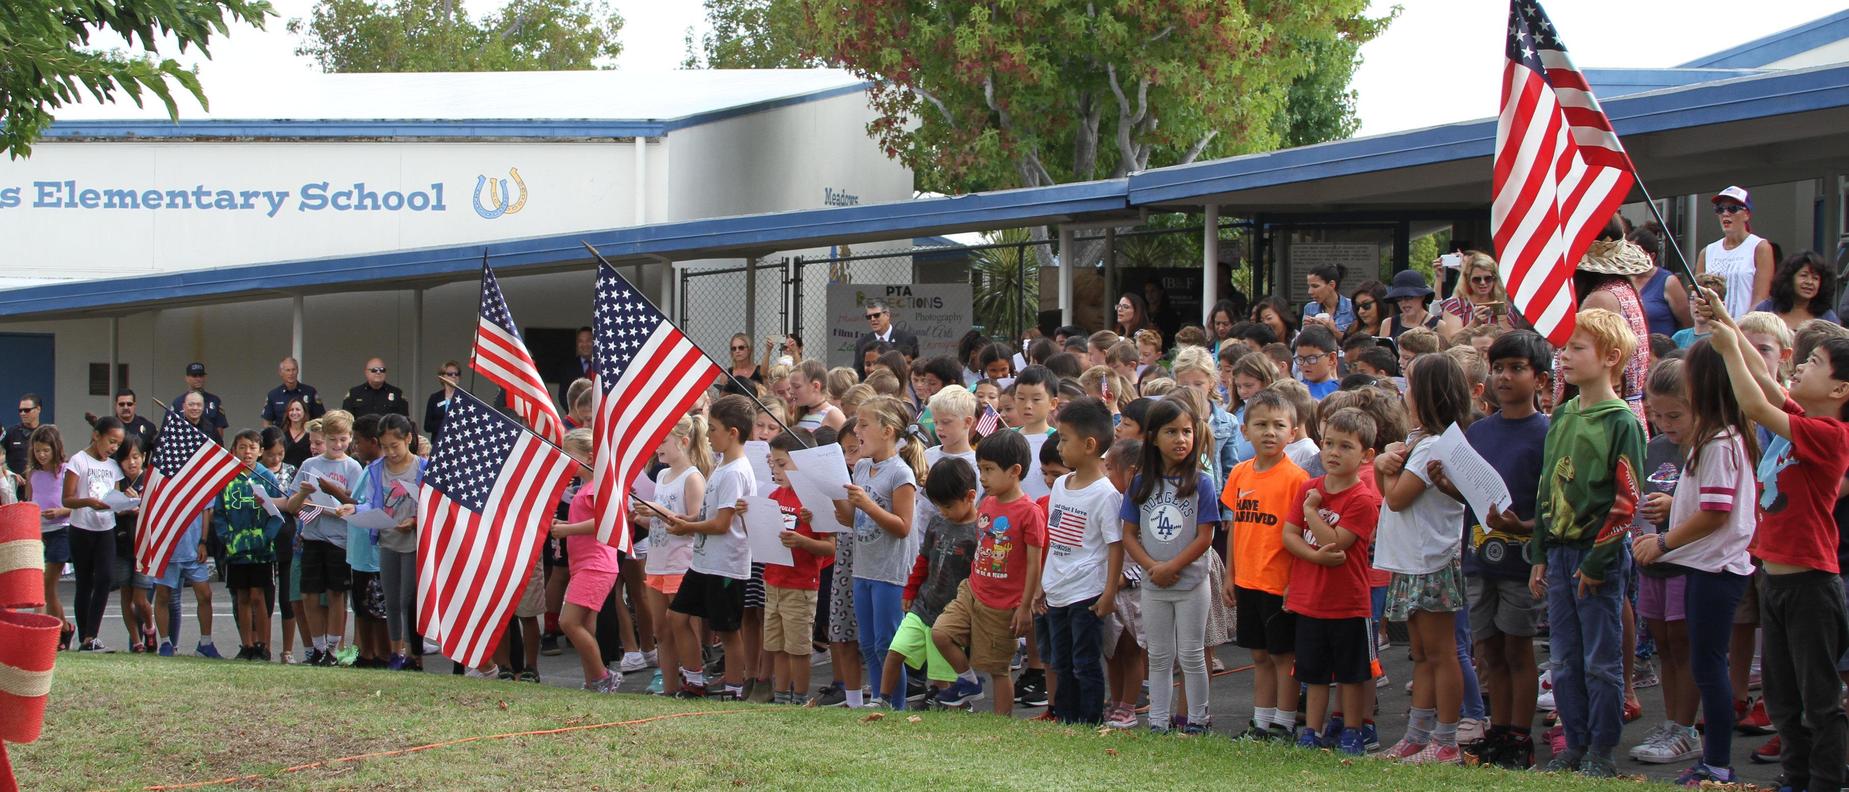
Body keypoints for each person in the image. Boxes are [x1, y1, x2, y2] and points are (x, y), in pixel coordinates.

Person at [1704, 286, 1849, 792]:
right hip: (1778, 582)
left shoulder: (1830, 435)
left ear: (1840, 390)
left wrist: (1725, 348)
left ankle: (1826, 782)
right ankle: (1797, 777)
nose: (1802, 367)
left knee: (1819, 699)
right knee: (1785, 699)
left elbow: (1756, 403)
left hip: (1812, 585)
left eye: (1815, 362)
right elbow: (1766, 382)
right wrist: (1726, 319)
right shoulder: (1808, 420)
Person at [1631, 341, 1759, 785]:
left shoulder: (1718, 442)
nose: (1664, 424)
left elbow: (1715, 511)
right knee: (1705, 667)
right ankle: (1714, 761)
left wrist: (1663, 543)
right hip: (1707, 568)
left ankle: (1719, 764)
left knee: (1708, 669)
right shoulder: (1715, 439)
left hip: (1715, 570)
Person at [1530, 308, 1648, 777]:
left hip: (1597, 555)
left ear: (1611, 357)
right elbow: (1546, 488)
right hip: (1558, 553)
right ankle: (1572, 745)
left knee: (1601, 661)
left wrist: (1599, 560)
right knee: (1562, 657)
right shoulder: (1561, 415)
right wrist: (1540, 552)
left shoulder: (1623, 422)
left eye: (1577, 348)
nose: (1564, 357)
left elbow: (1626, 499)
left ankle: (1601, 752)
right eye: (1564, 348)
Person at [1452, 330, 1551, 769]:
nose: (1505, 377)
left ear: (1541, 380)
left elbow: (1552, 505)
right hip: (1479, 555)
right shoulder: (1479, 432)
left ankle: (1519, 735)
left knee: (1518, 648)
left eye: (1516, 369)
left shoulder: (1547, 433)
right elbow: (1470, 495)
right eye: (1498, 369)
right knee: (1488, 649)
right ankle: (1497, 729)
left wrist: (1523, 526)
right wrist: (1444, 481)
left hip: (1521, 560)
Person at [1283, 408, 1383, 754]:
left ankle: (1353, 729)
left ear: (1366, 455)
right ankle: (1312, 730)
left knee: (1352, 673)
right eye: (1328, 444)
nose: (1333, 453)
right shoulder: (1309, 487)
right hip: (1309, 599)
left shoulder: (1363, 498)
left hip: (1348, 602)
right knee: (1313, 673)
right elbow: (1290, 535)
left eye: (1345, 446)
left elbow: (1336, 542)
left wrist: (1313, 512)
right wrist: (1312, 557)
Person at [1115, 399, 1218, 734]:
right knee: (1158, 655)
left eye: (1187, 431)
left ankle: (1197, 719)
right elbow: (1129, 534)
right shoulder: (1140, 483)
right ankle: (1158, 720)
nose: (1181, 439)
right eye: (1171, 431)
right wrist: (1152, 567)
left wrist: (1172, 565)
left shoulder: (1201, 482)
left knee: (1190, 654)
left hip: (1191, 583)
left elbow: (1205, 537)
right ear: (1154, 438)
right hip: (1153, 584)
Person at [933, 430, 1042, 715]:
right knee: (941, 633)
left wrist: (1025, 606)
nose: (982, 477)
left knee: (998, 668)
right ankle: (969, 681)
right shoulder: (988, 502)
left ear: (1015, 471)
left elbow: (1034, 563)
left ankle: (1001, 724)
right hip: (973, 590)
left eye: (989, 469)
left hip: (1004, 603)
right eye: (980, 468)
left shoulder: (1029, 512)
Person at [663, 395, 758, 699]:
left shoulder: (735, 471)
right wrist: (688, 518)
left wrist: (688, 527)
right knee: (677, 616)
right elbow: (710, 515)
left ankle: (733, 689)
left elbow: (722, 524)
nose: (707, 435)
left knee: (728, 630)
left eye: (713, 429)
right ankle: (694, 681)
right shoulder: (721, 466)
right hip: (704, 562)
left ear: (733, 432)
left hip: (726, 565)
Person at [1036, 398, 1123, 725]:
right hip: (1057, 589)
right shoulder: (1060, 484)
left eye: (1064, 439)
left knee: (1084, 661)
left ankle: (1089, 721)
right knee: (1060, 659)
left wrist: (1109, 592)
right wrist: (1043, 586)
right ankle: (1065, 717)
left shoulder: (1105, 494)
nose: (1058, 446)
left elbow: (1115, 546)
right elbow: (1054, 539)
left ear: (1089, 445)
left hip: (1086, 593)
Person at [837, 395, 925, 707]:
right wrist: (834, 496)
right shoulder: (861, 467)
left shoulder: (901, 473)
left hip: (891, 572)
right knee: (868, 643)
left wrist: (867, 505)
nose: (856, 430)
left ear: (887, 431)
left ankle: (893, 704)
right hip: (864, 568)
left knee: (888, 644)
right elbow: (852, 519)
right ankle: (877, 699)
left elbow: (902, 525)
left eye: (864, 424)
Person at [888, 458, 980, 707]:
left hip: (955, 607)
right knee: (901, 649)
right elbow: (924, 558)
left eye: (948, 506)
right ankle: (889, 699)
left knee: (946, 662)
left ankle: (958, 700)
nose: (943, 512)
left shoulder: (978, 531)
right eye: (938, 506)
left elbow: (978, 574)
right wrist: (911, 589)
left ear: (970, 496)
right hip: (926, 600)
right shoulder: (937, 522)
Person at [543, 428, 621, 692]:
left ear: (588, 457)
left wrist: (567, 530)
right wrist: (565, 525)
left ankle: (602, 676)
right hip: (587, 565)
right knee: (585, 625)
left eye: (570, 455)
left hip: (596, 565)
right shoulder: (585, 488)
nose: (566, 460)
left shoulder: (597, 487)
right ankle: (593, 681)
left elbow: (603, 521)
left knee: (568, 622)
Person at [284, 409, 363, 667]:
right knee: (309, 593)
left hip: (339, 539)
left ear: (350, 437)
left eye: (343, 439)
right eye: (332, 440)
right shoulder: (310, 465)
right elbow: (292, 504)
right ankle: (317, 647)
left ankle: (332, 648)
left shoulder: (352, 466)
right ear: (324, 438)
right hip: (312, 536)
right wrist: (304, 494)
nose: (338, 445)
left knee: (336, 593)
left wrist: (339, 501)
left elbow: (356, 504)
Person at [762, 429, 835, 704]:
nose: (777, 470)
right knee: (777, 645)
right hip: (773, 580)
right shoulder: (773, 496)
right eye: (773, 464)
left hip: (801, 584)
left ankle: (801, 697)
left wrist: (803, 541)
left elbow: (830, 547)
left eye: (783, 464)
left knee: (798, 648)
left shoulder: (815, 499)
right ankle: (781, 696)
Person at [351, 414, 424, 669]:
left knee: (409, 600)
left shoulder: (422, 468)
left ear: (408, 439)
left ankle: (415, 654)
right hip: (388, 539)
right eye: (385, 447)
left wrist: (415, 522)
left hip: (414, 542)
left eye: (396, 445)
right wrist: (353, 511)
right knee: (391, 601)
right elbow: (370, 503)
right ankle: (396, 652)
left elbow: (433, 506)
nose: (391, 452)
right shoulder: (375, 470)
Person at [1563, 226, 1655, 426]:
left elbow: (1591, 367)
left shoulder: (1600, 299)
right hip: (1621, 413)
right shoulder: (1622, 289)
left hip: (1602, 420)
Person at [210, 429, 285, 661]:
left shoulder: (266, 478)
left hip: (261, 551)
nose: (247, 452)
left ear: (261, 451)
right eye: (242, 447)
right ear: (234, 450)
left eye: (252, 447)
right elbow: (219, 514)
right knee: (241, 596)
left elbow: (276, 515)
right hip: (236, 549)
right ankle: (247, 644)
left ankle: (262, 644)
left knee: (258, 596)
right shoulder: (227, 479)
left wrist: (265, 537)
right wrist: (227, 538)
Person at [649, 415, 708, 698]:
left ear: (683, 442)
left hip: (680, 561)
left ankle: (694, 679)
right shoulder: (661, 475)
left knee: (682, 623)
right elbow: (660, 520)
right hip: (656, 560)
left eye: (663, 440)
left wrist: (657, 511)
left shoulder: (693, 477)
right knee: (661, 629)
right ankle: (670, 686)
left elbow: (695, 520)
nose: (657, 446)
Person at [62, 415, 124, 653]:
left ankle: (92, 635)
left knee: (106, 578)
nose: (113, 448)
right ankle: (86, 639)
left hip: (105, 528)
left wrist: (123, 502)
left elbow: (114, 497)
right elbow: (66, 498)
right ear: (96, 436)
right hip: (81, 529)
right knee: (85, 582)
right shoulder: (79, 461)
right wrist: (88, 501)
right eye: (111, 441)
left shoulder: (112, 466)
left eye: (117, 444)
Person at [1696, 186, 1775, 320]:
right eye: (1719, 209)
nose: (1725, 214)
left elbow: (1761, 299)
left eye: (1732, 209)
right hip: (1712, 329)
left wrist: (1741, 329)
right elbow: (1698, 295)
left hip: (1745, 329)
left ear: (1747, 214)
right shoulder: (1707, 251)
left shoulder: (1760, 247)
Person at [24, 425, 71, 646]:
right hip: (38, 532)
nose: (41, 455)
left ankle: (44, 634)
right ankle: (64, 628)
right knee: (46, 586)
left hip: (61, 530)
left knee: (47, 584)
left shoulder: (65, 471)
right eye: (38, 450)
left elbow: (76, 503)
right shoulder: (32, 474)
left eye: (46, 450)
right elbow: (30, 501)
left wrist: (61, 511)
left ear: (55, 449)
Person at [1437, 252, 1520, 342]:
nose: (1483, 283)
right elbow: (1451, 342)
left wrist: (1502, 320)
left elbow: (1514, 343)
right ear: (1468, 280)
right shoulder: (1456, 306)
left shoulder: (1505, 306)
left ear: (1494, 279)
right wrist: (1474, 323)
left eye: (1488, 278)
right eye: (1477, 279)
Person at [1627, 225, 1691, 339]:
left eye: (1634, 255)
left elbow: (1688, 324)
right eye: (1626, 254)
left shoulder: (1668, 282)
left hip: (1660, 352)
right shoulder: (1623, 281)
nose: (1628, 259)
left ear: (1651, 256)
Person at [1755, 251, 1841, 333]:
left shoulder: (1827, 317)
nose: (1809, 282)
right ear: (1789, 278)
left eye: (1815, 278)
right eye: (1804, 275)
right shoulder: (1766, 308)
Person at [855, 300, 920, 377]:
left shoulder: (907, 338)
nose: (872, 319)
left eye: (876, 315)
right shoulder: (862, 342)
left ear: (887, 315)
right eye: (869, 317)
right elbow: (859, 372)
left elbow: (915, 369)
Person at [263, 357, 325, 426]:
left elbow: (320, 418)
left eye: (293, 370)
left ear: (298, 371)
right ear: (280, 373)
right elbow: (267, 421)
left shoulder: (310, 392)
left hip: (306, 435)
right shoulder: (273, 395)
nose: (291, 373)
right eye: (288, 370)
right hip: (282, 435)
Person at [174, 362, 228, 442]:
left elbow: (219, 429)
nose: (198, 379)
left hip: (209, 448)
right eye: (194, 376)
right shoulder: (178, 402)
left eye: (201, 376)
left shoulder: (214, 401)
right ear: (187, 378)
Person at [340, 358, 410, 419]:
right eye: (374, 370)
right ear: (366, 372)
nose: (378, 372)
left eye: (382, 370)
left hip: (387, 434)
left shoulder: (397, 394)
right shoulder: (354, 394)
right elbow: (346, 422)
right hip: (362, 433)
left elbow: (403, 422)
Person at [1380, 270, 1440, 340]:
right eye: (1399, 298)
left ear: (1422, 296)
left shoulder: (1439, 325)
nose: (1403, 302)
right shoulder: (1388, 323)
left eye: (1408, 297)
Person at [789, 360, 846, 431]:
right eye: (790, 387)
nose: (791, 391)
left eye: (796, 386)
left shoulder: (833, 415)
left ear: (816, 386)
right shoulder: (800, 413)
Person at [1301, 265, 1356, 336]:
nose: (1310, 292)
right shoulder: (1310, 308)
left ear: (1331, 285)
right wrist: (1306, 330)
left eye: (1315, 286)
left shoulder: (1352, 307)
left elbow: (1356, 343)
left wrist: (1333, 330)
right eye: (1309, 286)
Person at [1294, 326, 1341, 401]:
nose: (1305, 364)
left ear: (1331, 358)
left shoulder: (1340, 392)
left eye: (1312, 358)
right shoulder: (1295, 390)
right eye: (1300, 359)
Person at [556, 326, 596, 408]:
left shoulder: (603, 367)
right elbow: (563, 396)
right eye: (580, 341)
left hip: (600, 417)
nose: (584, 344)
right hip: (576, 417)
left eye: (588, 340)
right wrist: (576, 413)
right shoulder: (568, 367)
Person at [424, 361, 462, 443]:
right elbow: (427, 426)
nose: (454, 376)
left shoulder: (466, 397)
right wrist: (446, 422)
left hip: (460, 443)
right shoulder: (435, 398)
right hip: (439, 443)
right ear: (442, 377)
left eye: (457, 374)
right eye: (450, 374)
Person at [721, 333, 763, 397]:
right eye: (734, 348)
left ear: (749, 350)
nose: (737, 351)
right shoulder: (726, 374)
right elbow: (722, 399)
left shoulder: (760, 371)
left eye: (741, 348)